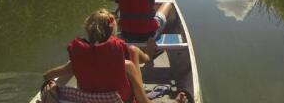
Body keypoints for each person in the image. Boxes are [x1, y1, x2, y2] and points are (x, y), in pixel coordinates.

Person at [40, 8, 190, 103]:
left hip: (88, 100)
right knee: (132, 51)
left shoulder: (76, 62)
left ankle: (148, 55)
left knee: (132, 51)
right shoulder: (127, 66)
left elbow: (49, 75)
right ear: (113, 32)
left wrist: (49, 81)